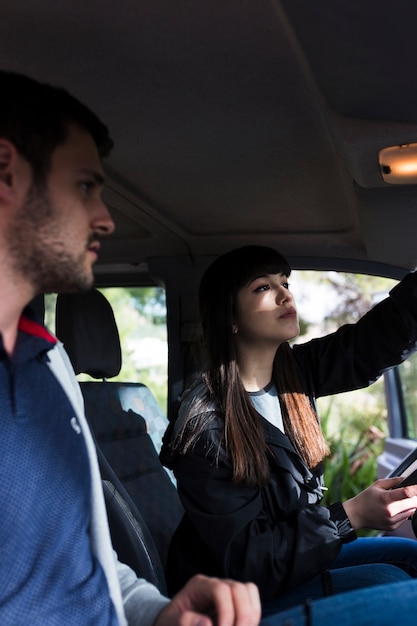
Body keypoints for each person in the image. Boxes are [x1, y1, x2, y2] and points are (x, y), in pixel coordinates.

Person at [0, 69, 262, 626]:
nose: (106, 218)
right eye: (85, 187)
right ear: (5, 171)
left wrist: (158, 611)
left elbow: (87, 567)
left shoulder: (50, 365)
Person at [160, 244, 417, 612]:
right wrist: (351, 515)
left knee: (409, 557)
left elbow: (371, 344)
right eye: (262, 287)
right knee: (391, 583)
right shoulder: (205, 424)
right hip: (238, 597)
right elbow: (247, 561)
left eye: (284, 282)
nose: (285, 294)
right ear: (228, 317)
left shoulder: (294, 374)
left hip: (288, 565)